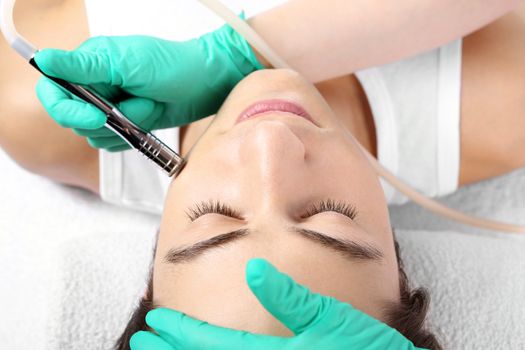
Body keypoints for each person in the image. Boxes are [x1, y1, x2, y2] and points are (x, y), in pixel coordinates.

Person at [1, 0, 524, 348]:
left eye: (214, 216)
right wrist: (237, 51)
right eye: (328, 216)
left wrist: (238, 54)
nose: (270, 142)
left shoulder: (40, 107)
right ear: (402, 275)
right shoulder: (504, 105)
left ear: (153, 272)